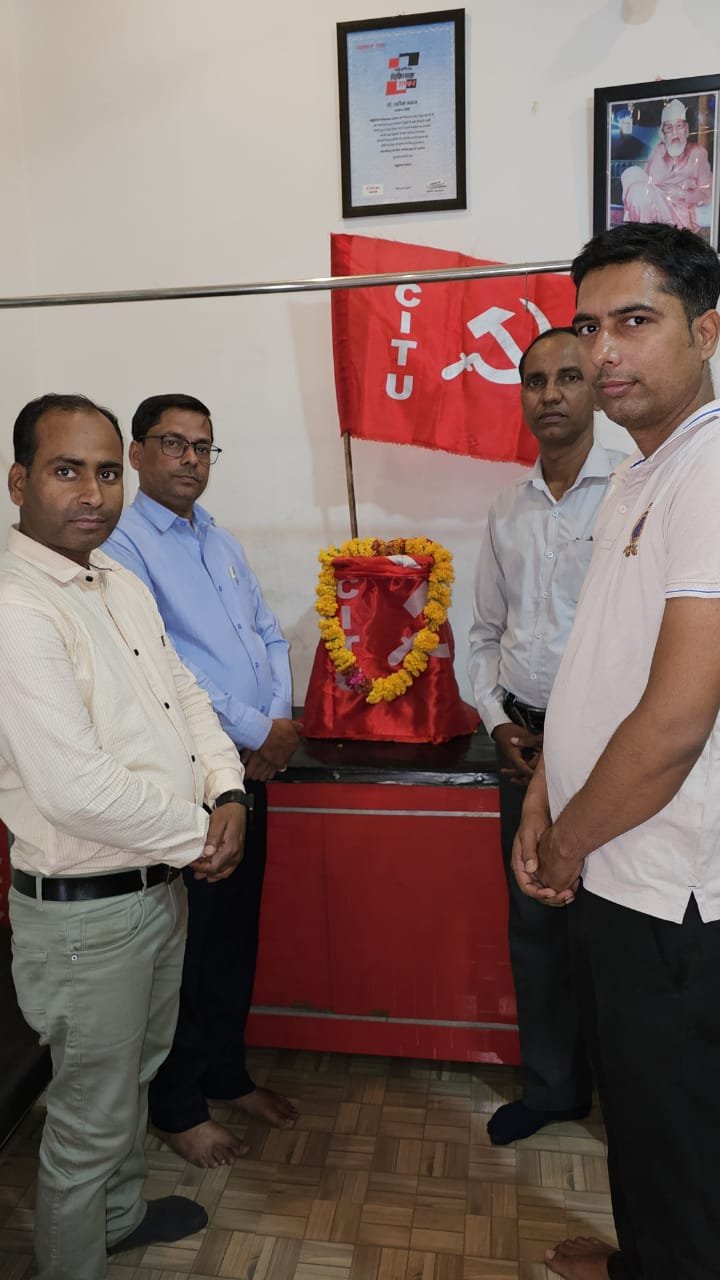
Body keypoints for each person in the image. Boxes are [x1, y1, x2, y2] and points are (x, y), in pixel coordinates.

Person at [0, 394, 248, 1280]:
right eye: (67, 470)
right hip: (85, 918)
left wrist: (227, 788)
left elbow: (187, 696)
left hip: (155, 890)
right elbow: (76, 789)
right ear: (20, 482)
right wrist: (203, 834)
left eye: (106, 473)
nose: (93, 493)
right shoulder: (17, 608)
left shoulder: (118, 583)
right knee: (88, 1121)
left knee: (135, 1076)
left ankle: (119, 1217)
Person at [513, 223, 720, 1278]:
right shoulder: (644, 471)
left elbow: (676, 720)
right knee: (642, 1111)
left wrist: (564, 843)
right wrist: (544, 792)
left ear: (707, 331)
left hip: (670, 884)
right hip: (616, 860)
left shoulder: (711, 470)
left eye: (635, 321)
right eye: (591, 327)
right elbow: (596, 662)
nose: (603, 352)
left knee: (678, 1132)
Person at [104, 393, 299, 1170]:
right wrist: (254, 730)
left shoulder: (218, 540)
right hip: (190, 780)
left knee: (233, 937)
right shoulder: (120, 547)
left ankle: (226, 1073)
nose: (190, 459)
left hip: (249, 769)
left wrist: (275, 724)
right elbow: (164, 665)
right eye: (173, 443)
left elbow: (268, 635)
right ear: (136, 452)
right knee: (191, 946)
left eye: (203, 446)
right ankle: (177, 1106)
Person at [468, 328, 627, 1147]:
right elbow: (483, 634)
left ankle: (629, 1104)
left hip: (611, 749)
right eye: (536, 381)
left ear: (595, 388)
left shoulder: (632, 488)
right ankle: (554, 1088)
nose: (552, 394)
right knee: (535, 926)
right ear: (522, 395)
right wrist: (496, 719)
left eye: (568, 377)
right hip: (522, 744)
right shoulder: (508, 507)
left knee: (616, 929)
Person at [621, 98, 713, 233]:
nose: (675, 133)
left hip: (679, 211)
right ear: (663, 133)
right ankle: (642, 230)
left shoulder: (697, 153)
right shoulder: (659, 150)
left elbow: (707, 194)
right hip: (655, 200)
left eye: (679, 126)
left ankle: (641, 232)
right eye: (669, 128)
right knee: (631, 173)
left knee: (638, 191)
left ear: (686, 129)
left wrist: (681, 193)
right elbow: (648, 181)